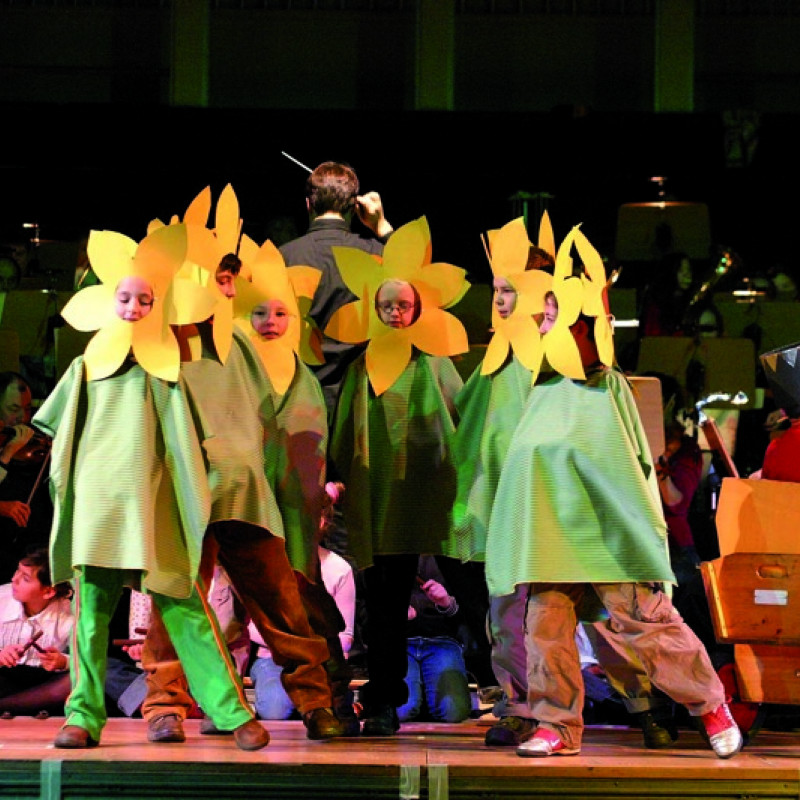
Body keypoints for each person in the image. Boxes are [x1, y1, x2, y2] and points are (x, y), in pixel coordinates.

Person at [485, 225, 742, 759]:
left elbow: (631, 468)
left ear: (583, 328)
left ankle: (710, 703)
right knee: (545, 629)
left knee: (643, 624)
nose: (543, 324)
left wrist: (639, 533)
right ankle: (557, 725)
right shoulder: (541, 388)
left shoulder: (608, 388)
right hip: (552, 537)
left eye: (554, 317)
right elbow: (526, 467)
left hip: (604, 535)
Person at [32, 224, 269, 750]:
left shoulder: (165, 372)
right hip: (99, 512)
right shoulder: (86, 367)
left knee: (184, 606)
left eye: (145, 300)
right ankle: (83, 715)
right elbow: (58, 435)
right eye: (125, 298)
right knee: (90, 617)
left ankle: (231, 713)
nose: (135, 307)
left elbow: (185, 451)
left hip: (151, 513)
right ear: (108, 301)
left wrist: (189, 511)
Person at [140, 207, 344, 744]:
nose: (232, 290)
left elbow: (273, 420)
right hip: (186, 494)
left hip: (246, 493)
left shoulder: (246, 347)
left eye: (233, 279)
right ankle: (164, 703)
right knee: (178, 598)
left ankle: (315, 701)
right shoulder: (164, 345)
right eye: (222, 279)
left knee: (281, 601)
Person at [328, 217, 469, 736]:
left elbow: (463, 416)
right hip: (385, 504)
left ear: (417, 309)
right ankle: (384, 699)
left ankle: (509, 690)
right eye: (386, 305)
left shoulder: (435, 361)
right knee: (384, 605)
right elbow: (346, 435)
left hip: (434, 500)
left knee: (470, 591)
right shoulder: (364, 365)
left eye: (402, 305)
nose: (394, 312)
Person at [279, 160, 394, 418]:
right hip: (361, 407)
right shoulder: (377, 255)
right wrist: (382, 227)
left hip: (298, 404)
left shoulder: (281, 258)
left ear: (308, 204)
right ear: (356, 207)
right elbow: (421, 287)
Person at [397, 556, 472, 724]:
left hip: (442, 639)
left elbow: (472, 611)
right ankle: (420, 699)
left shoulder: (451, 555)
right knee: (402, 711)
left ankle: (422, 697)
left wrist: (447, 603)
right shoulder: (390, 554)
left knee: (453, 712)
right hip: (399, 642)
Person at [0, 548, 72, 717]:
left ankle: (5, 706)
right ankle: (22, 707)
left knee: (76, 680)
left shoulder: (70, 614)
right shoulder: (1, 599)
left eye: (24, 578)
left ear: (48, 591)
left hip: (43, 681)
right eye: (17, 572)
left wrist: (63, 661)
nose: (13, 580)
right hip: (4, 676)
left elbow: (84, 659)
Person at [0, 372, 52, 583]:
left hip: (29, 550)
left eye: (28, 409)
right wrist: (7, 453)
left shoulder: (37, 443)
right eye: (13, 410)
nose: (22, 418)